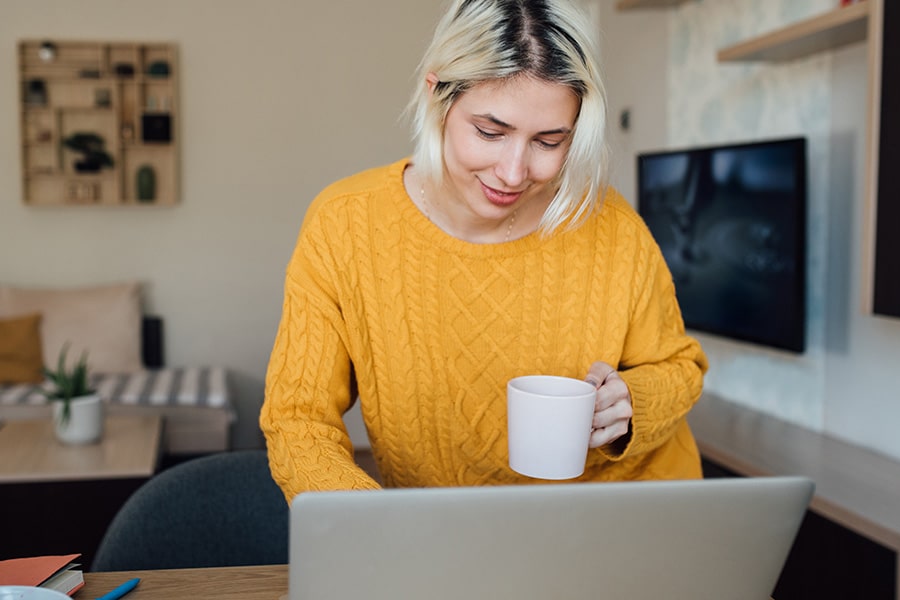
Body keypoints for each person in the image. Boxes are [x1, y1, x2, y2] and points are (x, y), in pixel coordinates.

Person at [260, 0, 708, 503]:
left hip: (620, 521)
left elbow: (680, 366)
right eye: (490, 132)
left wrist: (632, 403)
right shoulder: (346, 225)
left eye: (549, 141)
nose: (514, 172)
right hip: (445, 539)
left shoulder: (608, 224)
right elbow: (297, 417)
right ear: (437, 97)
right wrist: (373, 526)